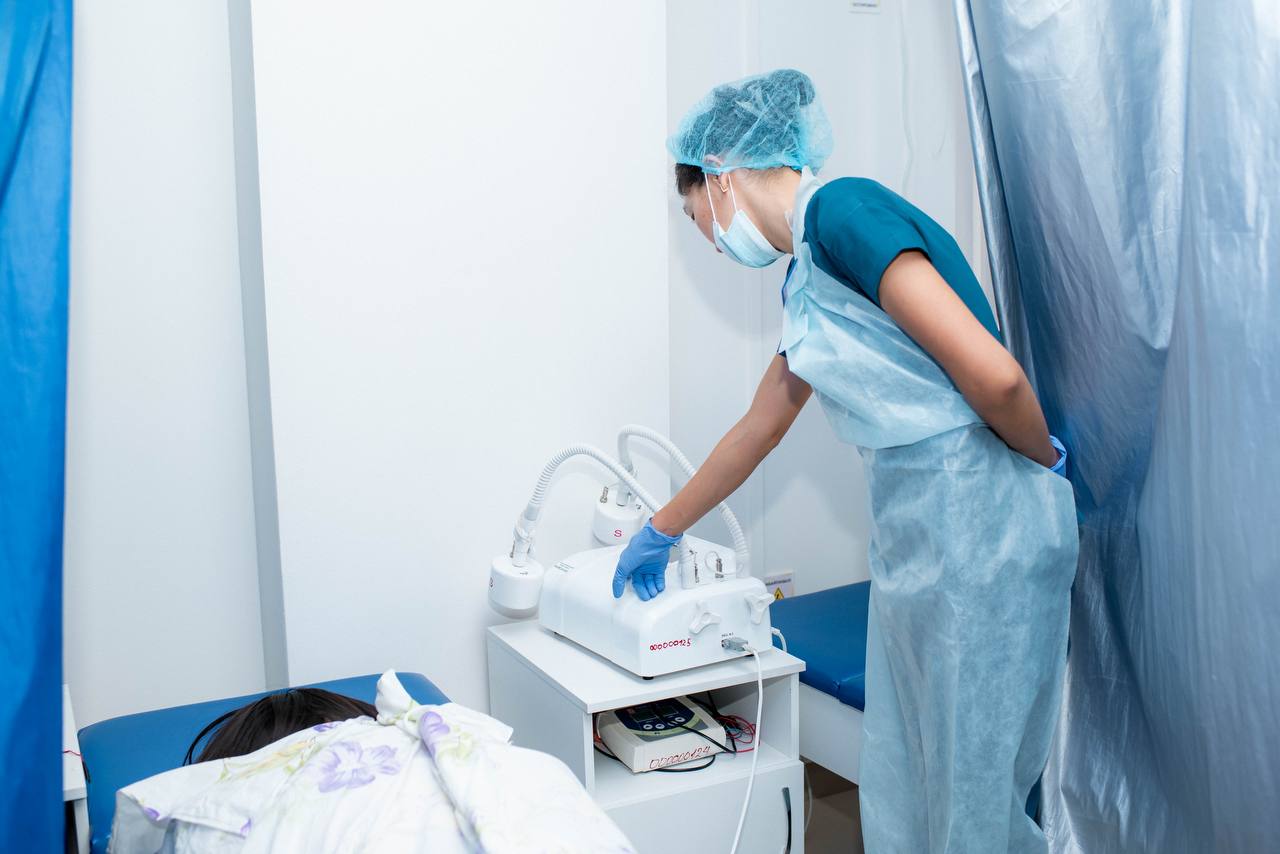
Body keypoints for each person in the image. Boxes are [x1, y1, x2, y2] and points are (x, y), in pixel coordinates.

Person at [612, 69, 1078, 852]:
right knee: (907, 778)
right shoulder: (808, 276)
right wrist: (662, 527)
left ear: (720, 174)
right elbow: (759, 428)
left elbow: (995, 377)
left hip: (981, 523)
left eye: (699, 221)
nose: (714, 243)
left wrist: (1041, 463)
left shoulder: (844, 212)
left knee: (971, 795)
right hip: (917, 533)